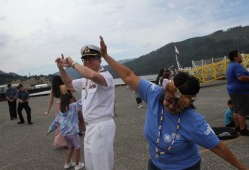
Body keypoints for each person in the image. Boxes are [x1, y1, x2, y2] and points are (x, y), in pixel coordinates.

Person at [99, 36, 247, 170]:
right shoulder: (155, 94)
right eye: (167, 99)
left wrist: (242, 168)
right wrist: (105, 56)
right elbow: (128, 75)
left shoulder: (193, 121)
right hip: (155, 164)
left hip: (185, 167)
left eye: (176, 105)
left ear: (187, 103)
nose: (168, 105)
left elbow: (218, 147)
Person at [55, 45, 116, 170]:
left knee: (102, 166)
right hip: (90, 126)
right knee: (92, 165)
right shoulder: (85, 80)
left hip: (101, 125)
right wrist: (61, 68)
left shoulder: (106, 75)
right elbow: (69, 84)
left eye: (90, 59)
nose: (87, 62)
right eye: (84, 60)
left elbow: (94, 77)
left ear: (99, 60)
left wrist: (73, 63)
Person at [44, 75, 85, 148]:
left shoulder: (53, 89)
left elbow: (51, 100)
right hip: (69, 103)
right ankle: (76, 132)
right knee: (74, 119)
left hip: (59, 105)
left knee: (61, 122)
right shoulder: (64, 86)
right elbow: (70, 96)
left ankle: (63, 141)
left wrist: (47, 111)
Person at [47, 92, 84, 170]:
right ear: (71, 99)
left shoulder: (62, 110)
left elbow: (56, 121)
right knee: (77, 147)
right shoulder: (73, 106)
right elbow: (83, 101)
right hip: (73, 132)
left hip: (64, 133)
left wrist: (50, 129)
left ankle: (67, 163)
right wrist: (87, 92)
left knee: (71, 147)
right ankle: (77, 165)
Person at [226, 50, 249, 136]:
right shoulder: (236, 66)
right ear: (235, 57)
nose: (241, 56)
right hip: (240, 92)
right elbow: (241, 77)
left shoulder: (230, 65)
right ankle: (243, 129)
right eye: (239, 55)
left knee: (236, 110)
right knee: (242, 111)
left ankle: (237, 127)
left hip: (232, 90)